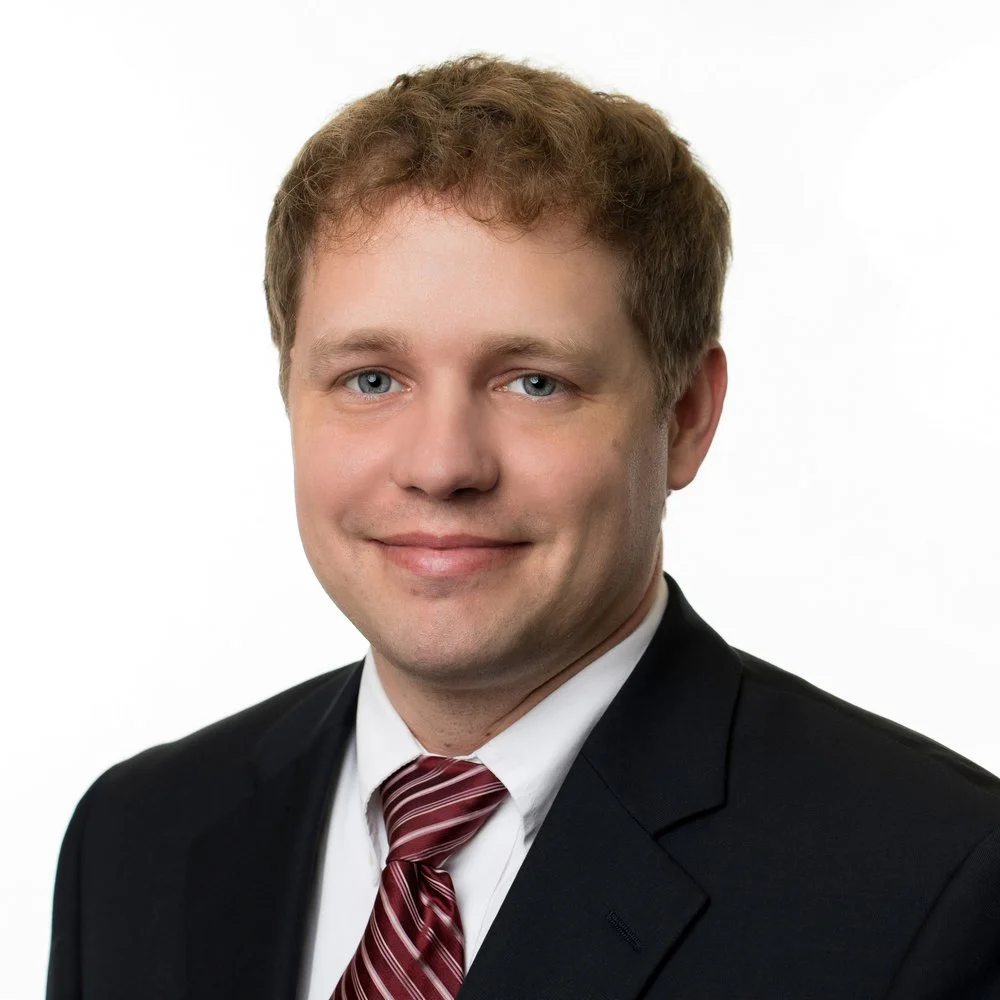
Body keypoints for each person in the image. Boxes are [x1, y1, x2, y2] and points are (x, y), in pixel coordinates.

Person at [47, 52, 1000, 1000]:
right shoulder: (135, 840)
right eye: (371, 378)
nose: (442, 466)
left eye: (534, 381)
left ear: (686, 419)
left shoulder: (938, 883)